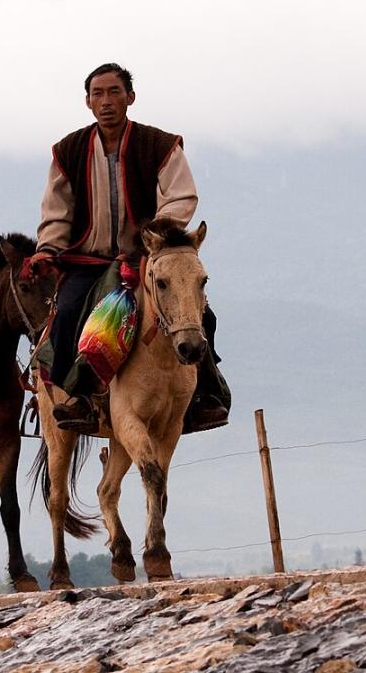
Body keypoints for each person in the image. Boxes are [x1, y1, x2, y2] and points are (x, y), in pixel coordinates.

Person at [32, 63, 230, 435]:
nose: (106, 101)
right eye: (98, 94)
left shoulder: (159, 145)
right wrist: (48, 249)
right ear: (88, 102)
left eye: (114, 92)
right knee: (69, 310)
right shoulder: (68, 150)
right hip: (88, 260)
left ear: (130, 98)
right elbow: (57, 210)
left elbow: (180, 196)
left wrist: (154, 235)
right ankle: (77, 396)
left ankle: (205, 394)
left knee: (198, 312)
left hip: (146, 257)